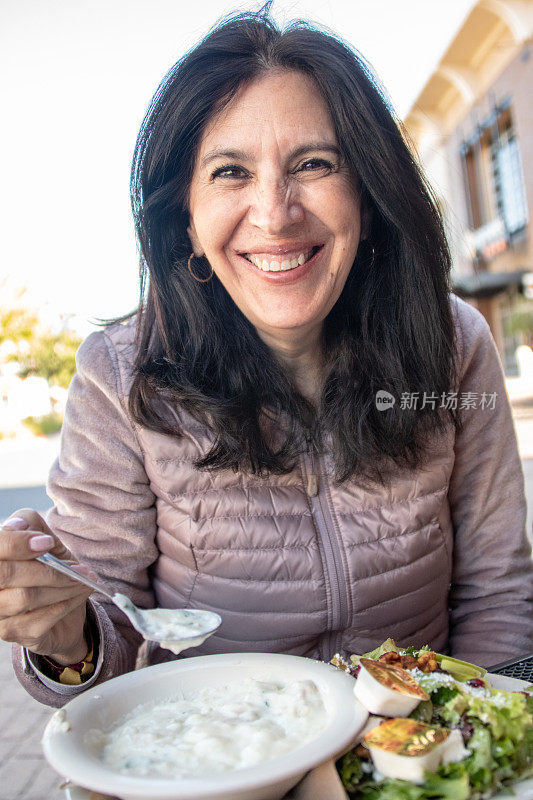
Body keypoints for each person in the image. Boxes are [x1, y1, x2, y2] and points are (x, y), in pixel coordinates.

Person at [2, 9, 532, 708]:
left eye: (314, 164)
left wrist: (480, 742)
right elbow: (106, 631)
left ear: (366, 200)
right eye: (229, 171)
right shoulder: (120, 376)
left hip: (415, 749)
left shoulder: (453, 344)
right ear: (184, 221)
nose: (275, 213)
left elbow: (497, 591)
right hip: (219, 756)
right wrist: (67, 640)